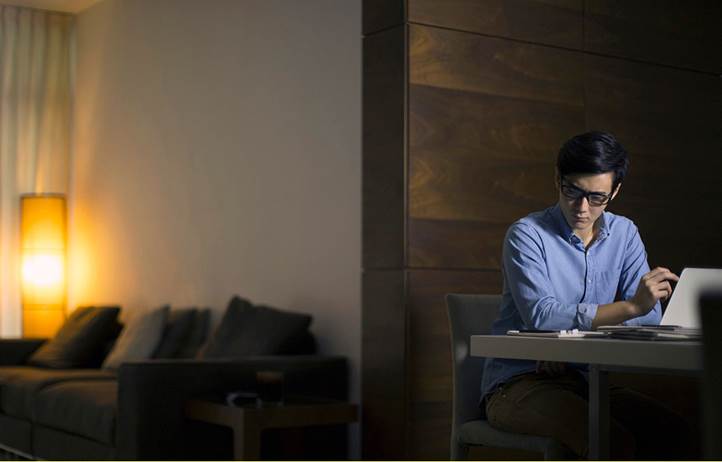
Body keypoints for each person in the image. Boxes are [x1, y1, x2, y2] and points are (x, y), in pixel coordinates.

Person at [481, 131, 692, 459]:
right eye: (572, 191)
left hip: (587, 380)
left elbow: (648, 320)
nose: (582, 208)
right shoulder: (527, 235)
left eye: (597, 197)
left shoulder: (625, 233)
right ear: (557, 180)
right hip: (519, 385)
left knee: (678, 433)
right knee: (610, 441)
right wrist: (629, 306)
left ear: (615, 191)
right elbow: (543, 316)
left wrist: (564, 341)